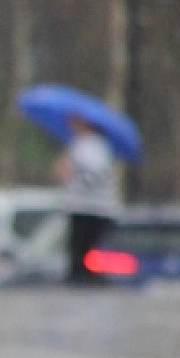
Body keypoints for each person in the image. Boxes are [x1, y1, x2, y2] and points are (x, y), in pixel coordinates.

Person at [54, 114, 122, 285]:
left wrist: (71, 172)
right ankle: (77, 275)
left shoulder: (95, 146)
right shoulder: (77, 145)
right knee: (77, 245)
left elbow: (94, 177)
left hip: (94, 208)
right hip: (79, 206)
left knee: (85, 245)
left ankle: (85, 276)